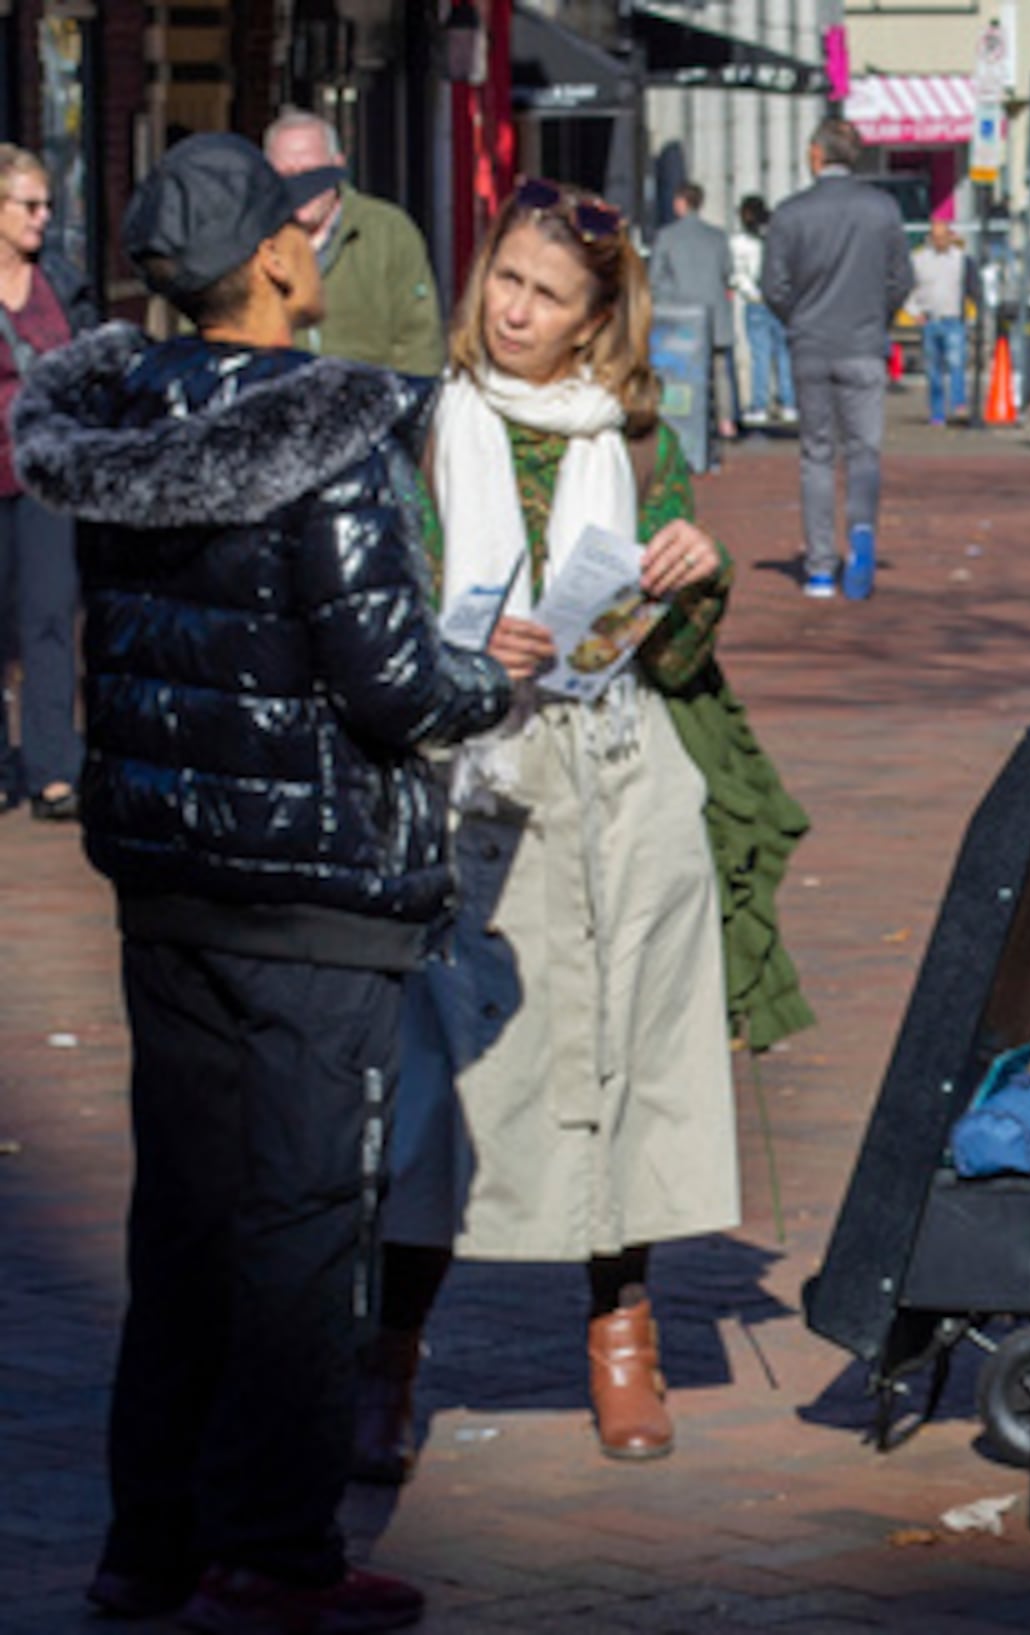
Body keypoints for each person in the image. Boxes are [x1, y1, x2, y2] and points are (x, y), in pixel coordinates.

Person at [12, 131, 517, 1631]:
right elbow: (387, 682)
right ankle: (273, 1548)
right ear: (282, 261)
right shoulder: (329, 433)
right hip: (307, 880)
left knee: (182, 1214)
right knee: (304, 1219)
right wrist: (491, 680)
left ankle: (148, 1535)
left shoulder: (117, 430)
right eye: (303, 231)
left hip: (167, 870)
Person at [364, 176, 760, 1479]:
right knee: (445, 1078)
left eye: (547, 294)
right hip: (471, 781)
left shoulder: (638, 438)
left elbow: (681, 649)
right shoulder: (428, 428)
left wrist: (696, 573)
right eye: (506, 281)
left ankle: (621, 1325)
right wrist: (463, 643)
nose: (514, 309)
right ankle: (392, 1349)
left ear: (599, 321)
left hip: (619, 771)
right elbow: (378, 615)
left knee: (623, 1053)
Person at [763, 117, 914, 599]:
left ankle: (821, 566)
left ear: (815, 155)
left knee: (817, 455)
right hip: (864, 342)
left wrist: (798, 317)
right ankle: (862, 529)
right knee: (864, 450)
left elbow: (773, 286)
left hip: (811, 342)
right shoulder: (882, 210)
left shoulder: (790, 214)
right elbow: (901, 279)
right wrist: (877, 314)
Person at [0, 144, 89, 823]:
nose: (43, 216)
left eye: (46, 204)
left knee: (51, 615)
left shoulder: (61, 281)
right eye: (29, 204)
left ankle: (53, 767)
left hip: (45, 475)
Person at [262, 107, 443, 375]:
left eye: (312, 172)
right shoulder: (248, 239)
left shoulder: (388, 231)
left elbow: (418, 340)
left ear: (337, 166)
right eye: (286, 175)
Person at [648, 182, 739, 465]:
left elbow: (655, 279)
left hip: (681, 318)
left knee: (680, 376)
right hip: (715, 315)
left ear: (680, 203)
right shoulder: (718, 237)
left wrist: (670, 297)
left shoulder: (666, 236)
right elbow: (728, 272)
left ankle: (680, 421)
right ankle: (726, 420)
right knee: (721, 371)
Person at [732, 195, 793, 425]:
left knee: (760, 356)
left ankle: (760, 404)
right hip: (781, 302)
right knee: (784, 354)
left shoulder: (740, 242)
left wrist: (751, 294)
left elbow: (738, 274)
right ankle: (789, 403)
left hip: (757, 303)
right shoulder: (781, 238)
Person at [911, 217, 975, 428]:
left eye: (943, 237)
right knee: (933, 371)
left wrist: (973, 312)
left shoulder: (960, 259)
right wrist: (914, 311)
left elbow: (971, 285)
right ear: (930, 238)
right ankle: (937, 414)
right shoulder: (919, 260)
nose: (940, 242)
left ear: (950, 237)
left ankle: (958, 402)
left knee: (956, 361)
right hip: (930, 320)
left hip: (953, 318)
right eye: (936, 237)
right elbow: (907, 288)